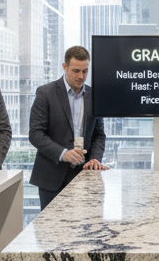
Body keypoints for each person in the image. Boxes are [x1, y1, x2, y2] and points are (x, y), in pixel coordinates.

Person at [28, 45, 107, 210]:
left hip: (85, 175)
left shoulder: (95, 95)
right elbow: (36, 134)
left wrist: (95, 158)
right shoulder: (45, 93)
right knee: (52, 232)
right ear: (65, 67)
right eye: (76, 70)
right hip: (52, 177)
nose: (81, 76)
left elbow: (99, 134)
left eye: (85, 71)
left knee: (86, 230)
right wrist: (64, 154)